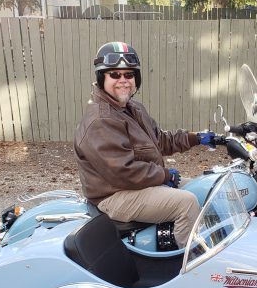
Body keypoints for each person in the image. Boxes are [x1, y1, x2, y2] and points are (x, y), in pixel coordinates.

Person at [74, 41, 215, 248]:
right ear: (101, 77)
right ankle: (190, 264)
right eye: (115, 74)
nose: (123, 80)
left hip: (136, 185)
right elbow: (124, 171)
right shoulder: (101, 120)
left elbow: (159, 140)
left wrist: (196, 137)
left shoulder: (131, 108)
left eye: (128, 74)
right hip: (114, 195)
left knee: (206, 189)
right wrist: (165, 175)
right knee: (186, 203)